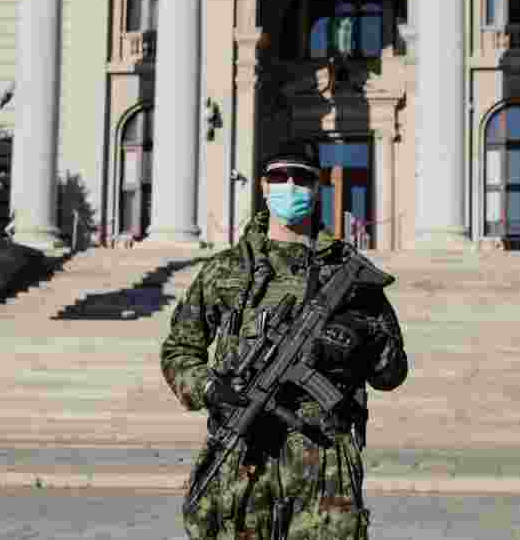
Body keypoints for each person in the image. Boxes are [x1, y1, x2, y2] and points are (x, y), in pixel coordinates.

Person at [161, 139, 408, 540]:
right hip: (243, 457)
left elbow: (392, 372)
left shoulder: (348, 274)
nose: (289, 185)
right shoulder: (225, 271)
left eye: (302, 178)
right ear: (263, 185)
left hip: (325, 464)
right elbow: (179, 349)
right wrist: (209, 387)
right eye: (279, 176)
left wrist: (357, 339)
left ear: (317, 187)